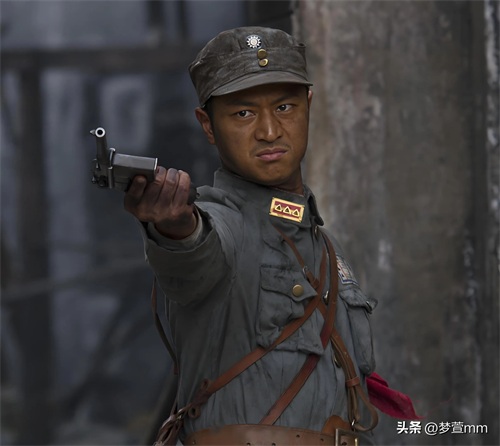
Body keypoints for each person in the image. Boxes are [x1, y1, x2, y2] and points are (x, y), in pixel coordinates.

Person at [125, 26, 380, 446]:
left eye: (285, 107)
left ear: (308, 105)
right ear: (208, 126)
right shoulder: (221, 224)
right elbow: (195, 250)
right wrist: (174, 226)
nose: (269, 131)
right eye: (243, 114)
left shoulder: (323, 246)